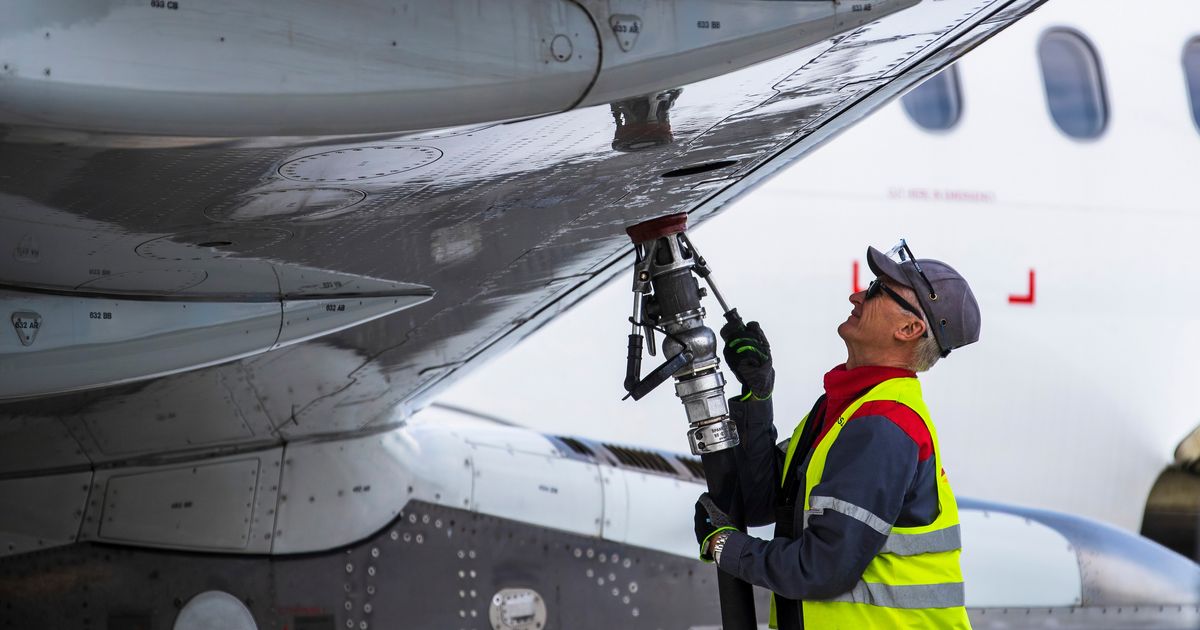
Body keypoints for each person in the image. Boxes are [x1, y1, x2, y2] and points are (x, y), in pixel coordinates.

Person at [694, 240, 981, 629]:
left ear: (909, 328)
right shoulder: (845, 409)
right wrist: (757, 396)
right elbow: (764, 503)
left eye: (878, 291)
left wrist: (725, 546)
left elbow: (821, 569)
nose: (857, 294)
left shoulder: (884, 425)